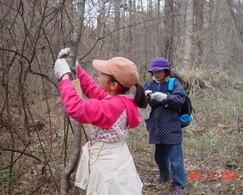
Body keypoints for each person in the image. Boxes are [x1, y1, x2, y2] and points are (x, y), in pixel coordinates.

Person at [54, 48, 147, 195]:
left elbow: (76, 108)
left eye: (102, 74)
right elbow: (93, 90)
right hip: (117, 159)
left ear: (113, 85)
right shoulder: (123, 99)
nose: (98, 75)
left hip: (107, 166)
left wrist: (64, 77)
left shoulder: (112, 106)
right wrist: (76, 67)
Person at [143, 57, 186, 195]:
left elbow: (180, 99)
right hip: (156, 126)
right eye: (154, 71)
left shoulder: (174, 83)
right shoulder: (149, 85)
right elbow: (143, 104)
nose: (157, 74)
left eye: (159, 71)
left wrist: (166, 97)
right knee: (159, 155)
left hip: (172, 125)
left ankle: (178, 184)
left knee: (175, 158)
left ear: (166, 70)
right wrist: (144, 97)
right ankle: (164, 175)